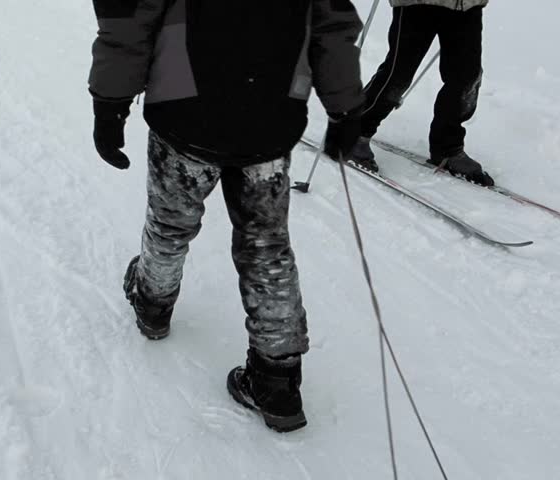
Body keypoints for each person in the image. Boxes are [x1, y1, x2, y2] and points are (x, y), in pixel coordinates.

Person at [89, 0, 367, 432]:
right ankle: (276, 378)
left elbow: (131, 14)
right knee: (266, 244)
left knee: (170, 224)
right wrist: (345, 104)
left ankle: (153, 303)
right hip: (270, 119)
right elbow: (331, 22)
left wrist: (111, 99)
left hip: (186, 115)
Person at [326, 0, 494, 186]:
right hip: (417, 3)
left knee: (466, 77)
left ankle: (447, 147)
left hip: (466, 5)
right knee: (398, 73)